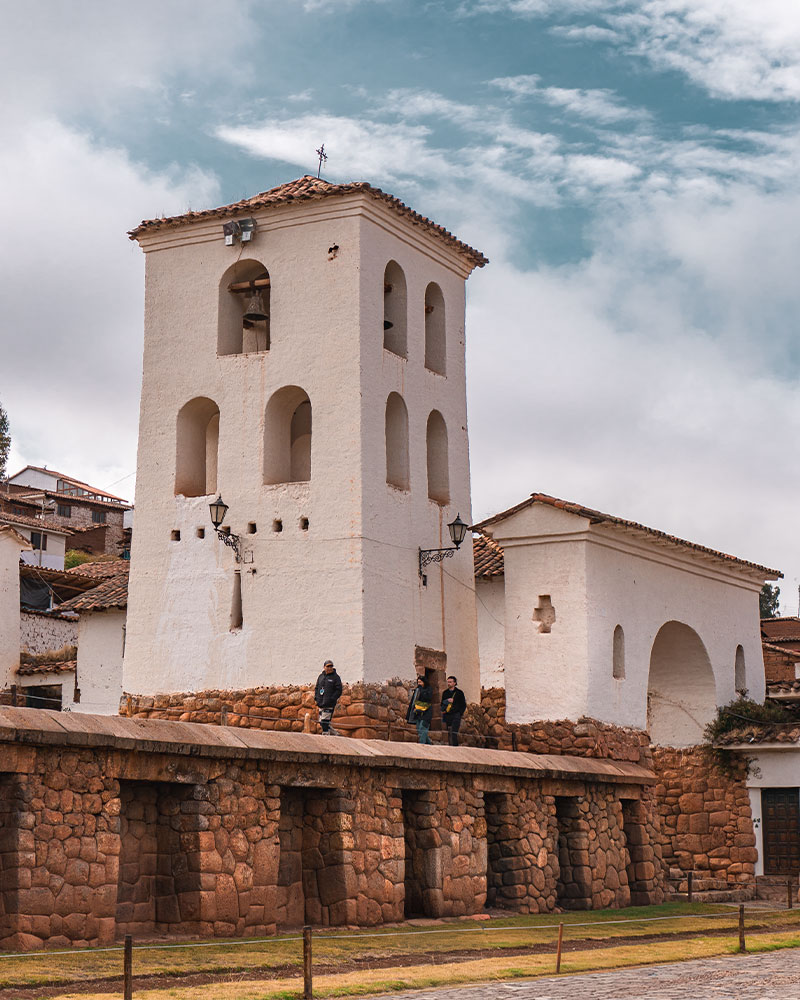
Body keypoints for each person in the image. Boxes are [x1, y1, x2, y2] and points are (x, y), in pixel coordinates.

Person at [314, 659, 342, 735]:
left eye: (331, 666)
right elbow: (317, 688)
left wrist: (332, 699)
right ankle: (335, 734)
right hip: (320, 703)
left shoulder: (336, 677)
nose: (329, 668)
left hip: (329, 704)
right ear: (324, 667)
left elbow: (339, 690)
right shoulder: (321, 676)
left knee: (324, 722)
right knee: (321, 722)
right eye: (328, 666)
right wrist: (316, 698)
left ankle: (326, 736)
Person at [440, 675, 467, 746]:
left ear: (454, 683)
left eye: (450, 682)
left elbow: (463, 704)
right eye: (448, 682)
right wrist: (446, 702)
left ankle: (455, 747)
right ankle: (450, 747)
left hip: (456, 714)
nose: (448, 683)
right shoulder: (445, 693)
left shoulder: (459, 693)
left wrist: (460, 713)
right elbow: (442, 703)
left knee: (454, 732)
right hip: (447, 715)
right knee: (448, 732)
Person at [407, 675, 433, 744]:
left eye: (420, 682)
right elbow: (413, 701)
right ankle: (429, 745)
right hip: (418, 713)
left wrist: (421, 690)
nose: (419, 684)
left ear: (424, 682)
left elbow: (428, 698)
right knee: (420, 730)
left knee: (423, 729)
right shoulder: (417, 690)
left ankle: (422, 745)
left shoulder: (429, 689)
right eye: (418, 682)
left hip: (426, 713)